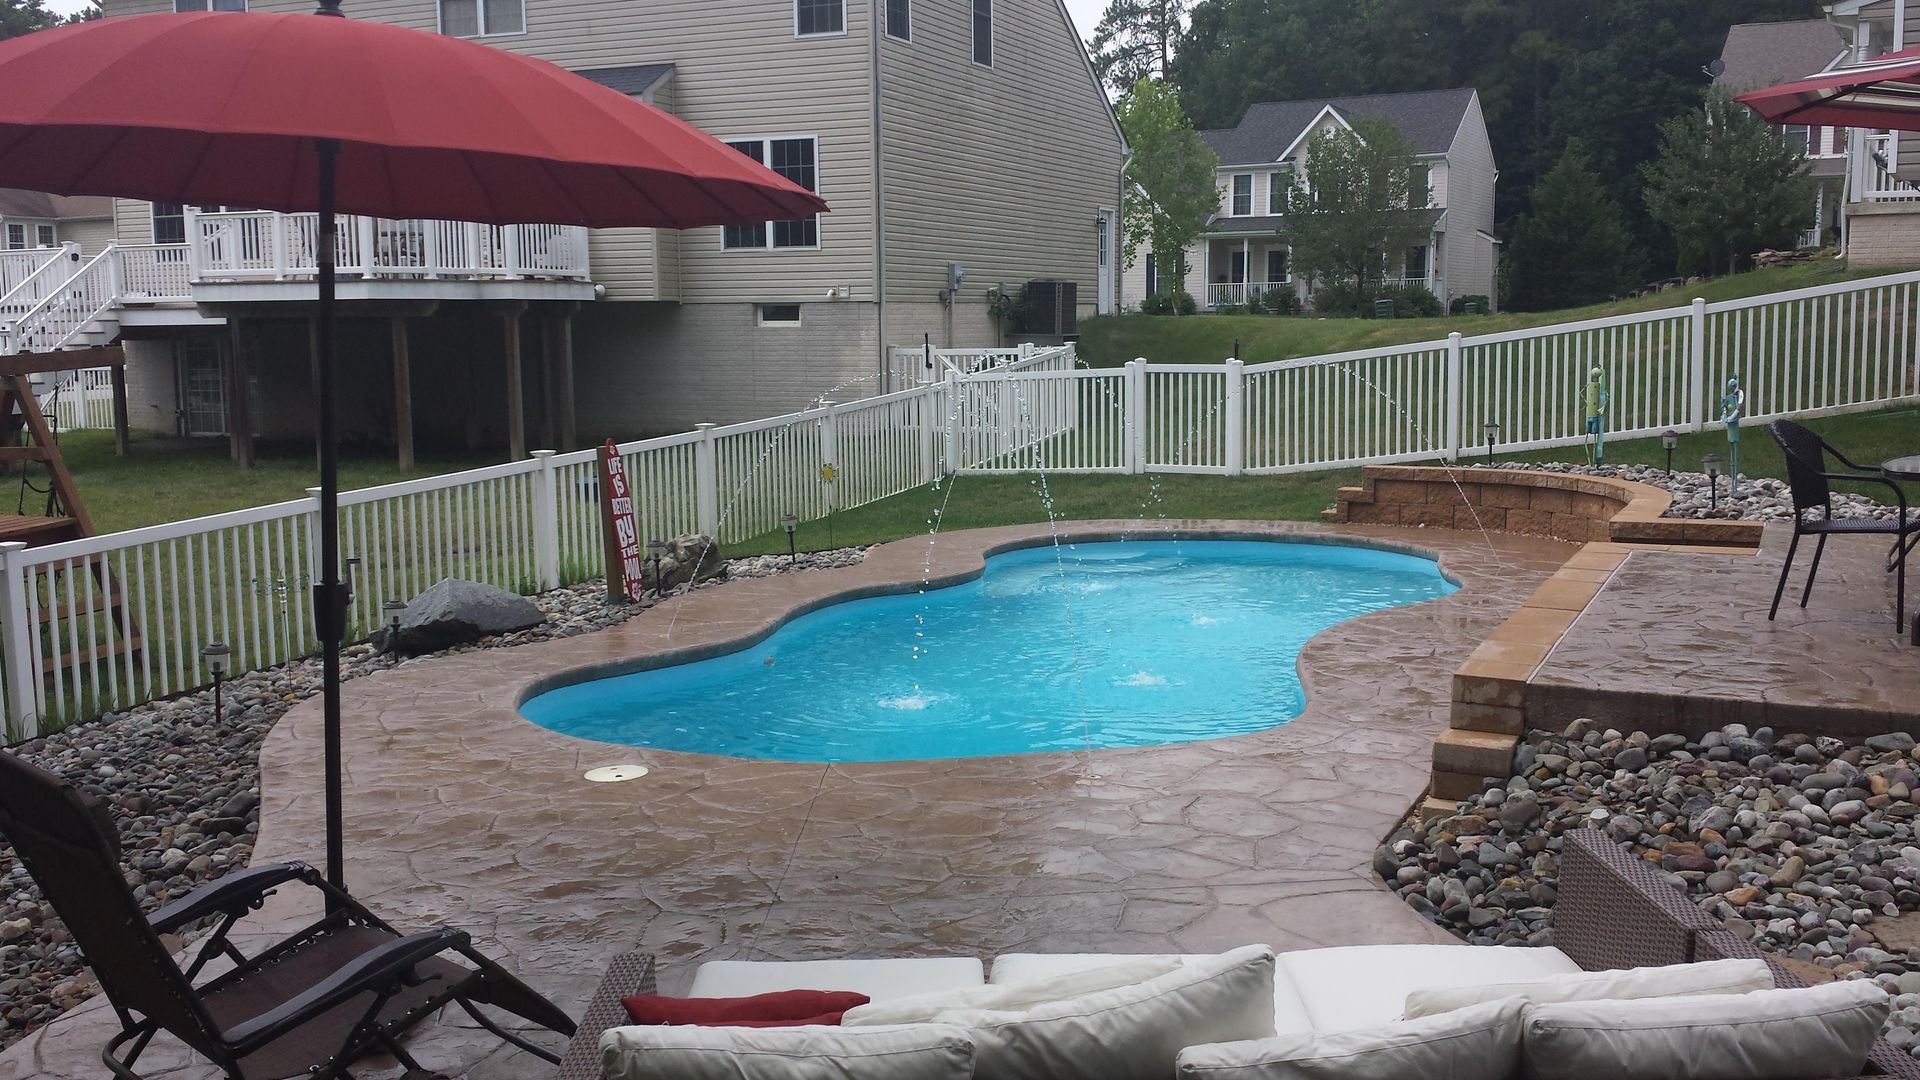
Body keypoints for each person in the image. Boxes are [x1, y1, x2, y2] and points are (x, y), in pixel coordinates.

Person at [1720, 376, 1747, 497]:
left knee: (1734, 445)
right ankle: (1733, 485)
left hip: (1734, 423)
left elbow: (1738, 407)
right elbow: (1724, 409)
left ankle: (1735, 486)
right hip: (1730, 424)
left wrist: (1732, 416)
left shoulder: (1737, 397)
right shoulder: (1729, 398)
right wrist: (1725, 417)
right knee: (1731, 444)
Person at [1583, 367, 1608, 465]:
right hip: (1590, 414)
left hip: (1595, 415)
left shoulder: (1599, 389)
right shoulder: (1590, 387)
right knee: (1588, 434)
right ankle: (1591, 461)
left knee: (1594, 434)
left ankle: (1594, 461)